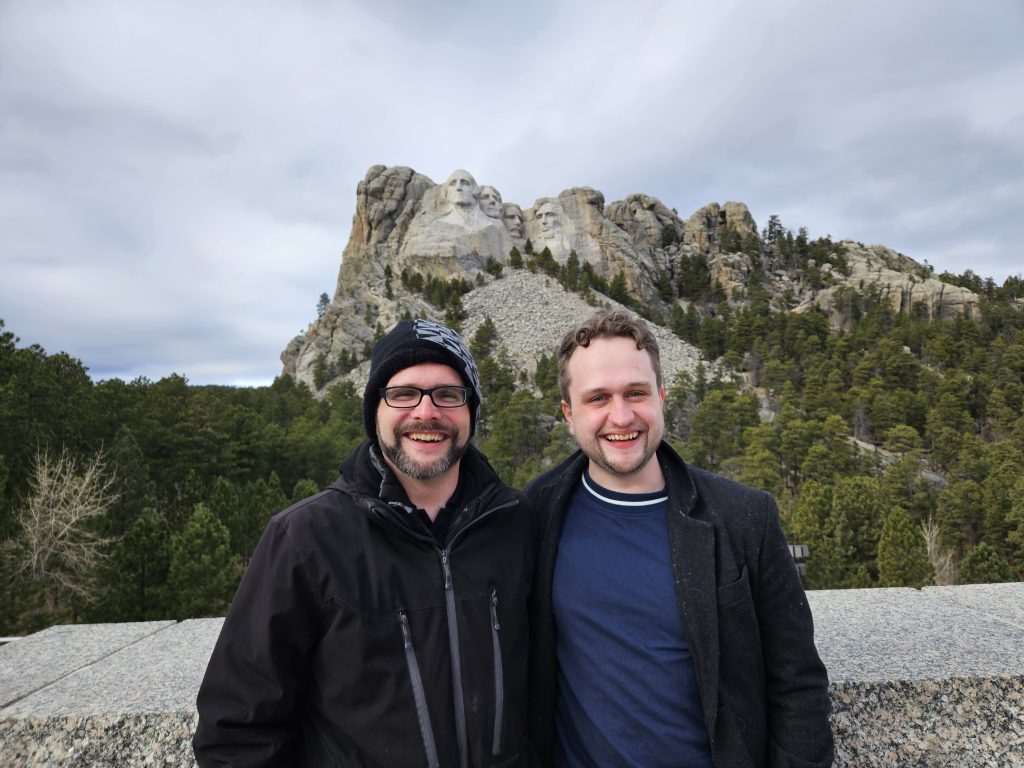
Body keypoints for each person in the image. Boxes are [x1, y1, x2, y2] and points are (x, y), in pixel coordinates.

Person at [194, 319, 538, 767]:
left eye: (448, 394)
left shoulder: (516, 521)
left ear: (470, 411)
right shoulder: (305, 538)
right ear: (375, 409)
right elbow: (235, 732)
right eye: (403, 393)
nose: (426, 412)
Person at [525, 309, 834, 768]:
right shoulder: (536, 513)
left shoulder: (744, 517)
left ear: (662, 397)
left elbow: (798, 683)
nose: (621, 415)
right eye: (598, 399)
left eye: (636, 393)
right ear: (569, 415)